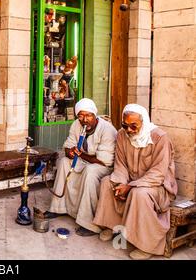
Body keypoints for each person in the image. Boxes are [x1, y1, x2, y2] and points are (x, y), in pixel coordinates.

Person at [93, 104, 178, 260]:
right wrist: (120, 183)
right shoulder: (121, 135)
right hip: (130, 181)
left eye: (134, 126)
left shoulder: (160, 138)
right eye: (125, 125)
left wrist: (130, 186)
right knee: (107, 182)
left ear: (144, 122)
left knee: (139, 194)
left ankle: (147, 246)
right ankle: (113, 227)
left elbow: (158, 174)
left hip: (156, 186)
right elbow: (120, 165)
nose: (129, 130)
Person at [44, 98, 117, 236]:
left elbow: (104, 161)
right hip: (86, 160)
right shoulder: (76, 125)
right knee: (65, 162)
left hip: (103, 166)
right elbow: (68, 145)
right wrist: (70, 151)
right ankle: (58, 207)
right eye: (81, 115)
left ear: (95, 115)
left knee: (90, 171)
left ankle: (89, 223)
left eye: (88, 115)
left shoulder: (107, 130)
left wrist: (80, 155)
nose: (84, 119)